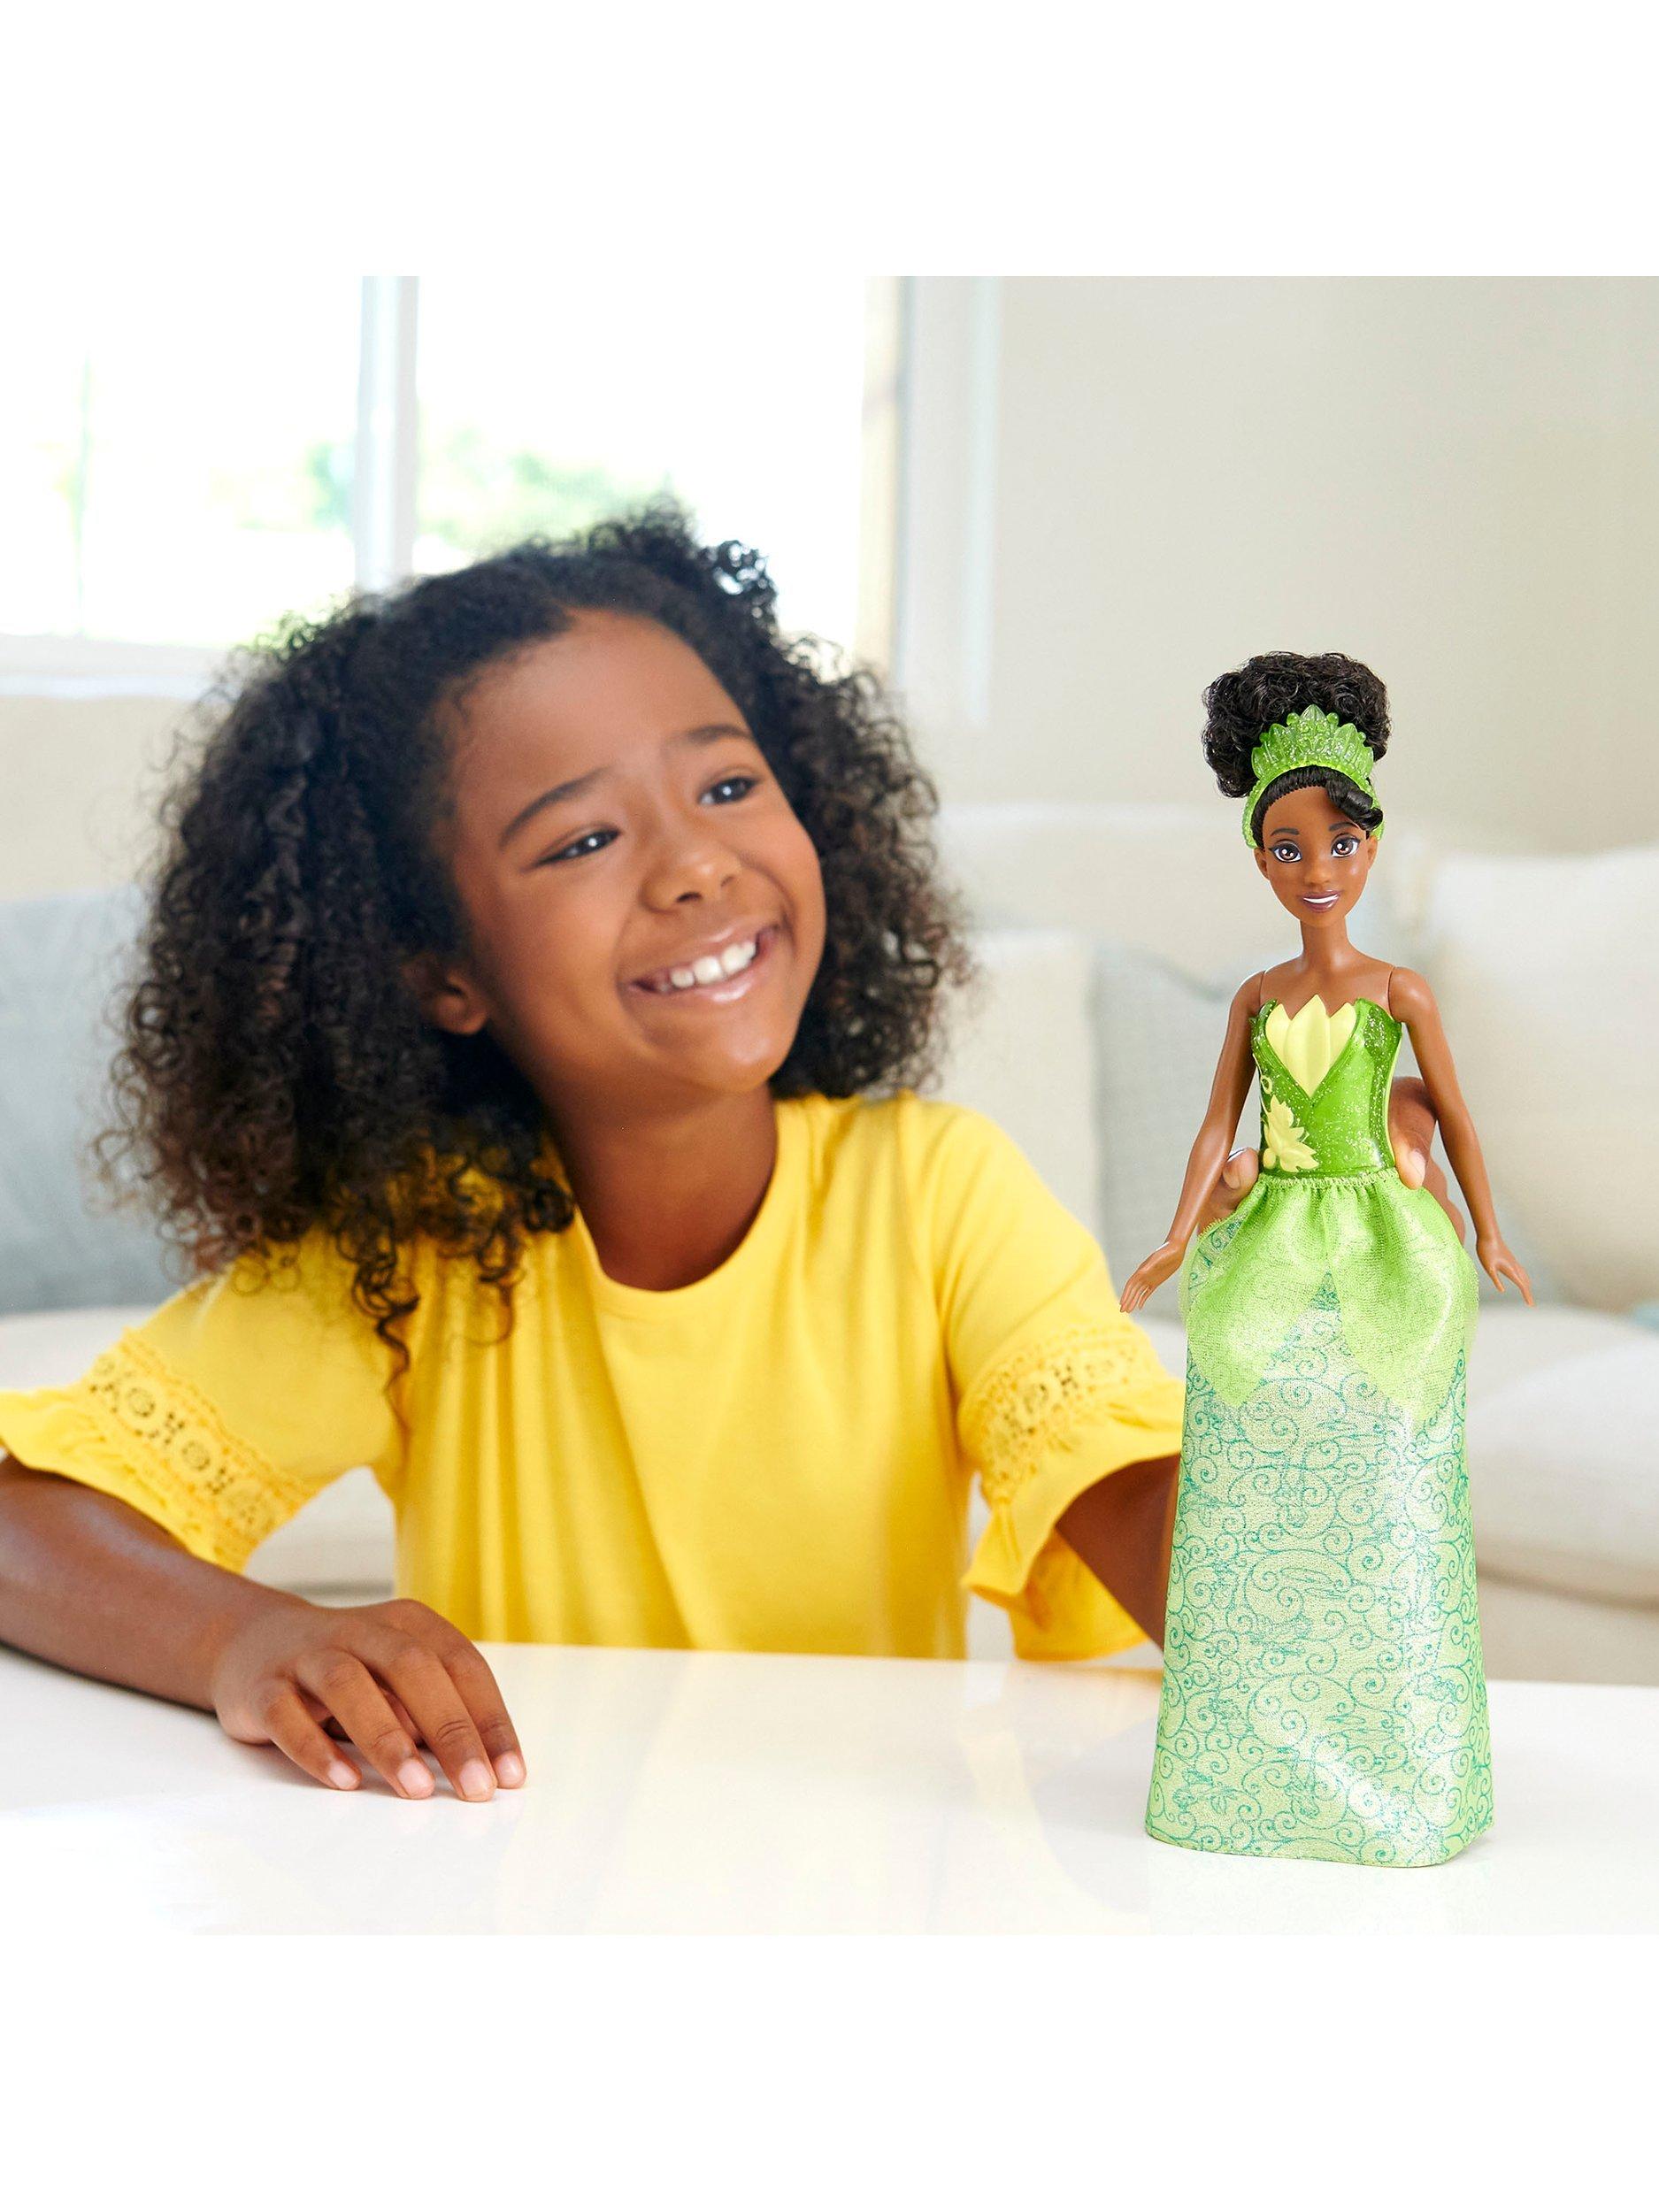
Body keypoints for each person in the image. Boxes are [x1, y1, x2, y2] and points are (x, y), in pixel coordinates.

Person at [0, 518, 1444, 1808]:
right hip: (508, 1912)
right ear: (440, 971)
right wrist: (249, 1637)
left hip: (875, 1922)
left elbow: (1181, 1552)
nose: (693, 864)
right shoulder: (416, 1253)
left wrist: (1314, 1293)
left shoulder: (937, 1197)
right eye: (581, 839)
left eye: (730, 783)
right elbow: (25, 1518)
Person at [1121, 652, 1531, 1866]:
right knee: (1247, 1484)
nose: (1317, 872)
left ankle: (1400, 1783)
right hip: (1274, 1234)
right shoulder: (1254, 998)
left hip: (1380, 1237)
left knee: (1391, 1482)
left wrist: (1489, 1231)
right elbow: (1217, 1128)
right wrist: (1176, 1235)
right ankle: (1239, 1783)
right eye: (1289, 848)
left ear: (1372, 847)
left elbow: (1458, 1121)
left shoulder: (1400, 992)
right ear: (1260, 858)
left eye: (1340, 846)